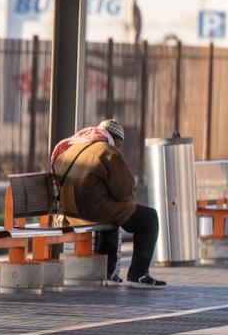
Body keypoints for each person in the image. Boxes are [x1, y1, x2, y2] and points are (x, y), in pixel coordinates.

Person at [50, 119, 165, 289]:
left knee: (110, 213)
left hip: (68, 212)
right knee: (148, 218)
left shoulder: (73, 147)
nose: (118, 147)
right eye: (119, 143)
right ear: (114, 138)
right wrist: (128, 198)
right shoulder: (108, 151)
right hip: (91, 212)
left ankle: (108, 273)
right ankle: (138, 274)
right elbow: (124, 190)